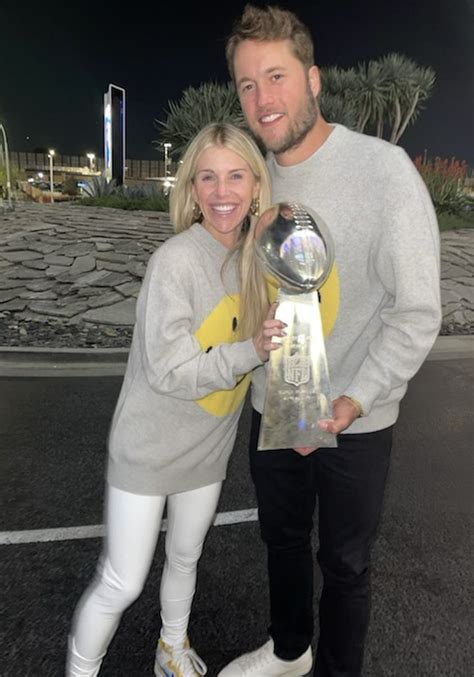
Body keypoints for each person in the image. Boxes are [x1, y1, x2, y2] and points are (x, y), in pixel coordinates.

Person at [218, 5, 442, 677]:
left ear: (314, 80)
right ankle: (289, 650)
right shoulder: (253, 175)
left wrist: (356, 397)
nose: (263, 99)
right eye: (248, 84)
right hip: (275, 399)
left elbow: (417, 310)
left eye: (277, 76)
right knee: (280, 538)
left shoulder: (384, 172)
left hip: (355, 412)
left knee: (344, 563)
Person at [66, 122, 285, 677]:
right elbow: (169, 370)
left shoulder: (257, 260)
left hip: (207, 448)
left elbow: (269, 350)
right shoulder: (175, 261)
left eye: (236, 175)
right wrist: (250, 352)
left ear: (256, 184)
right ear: (190, 189)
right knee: (122, 580)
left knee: (187, 556)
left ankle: (171, 648)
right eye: (207, 177)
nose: (222, 191)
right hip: (148, 447)